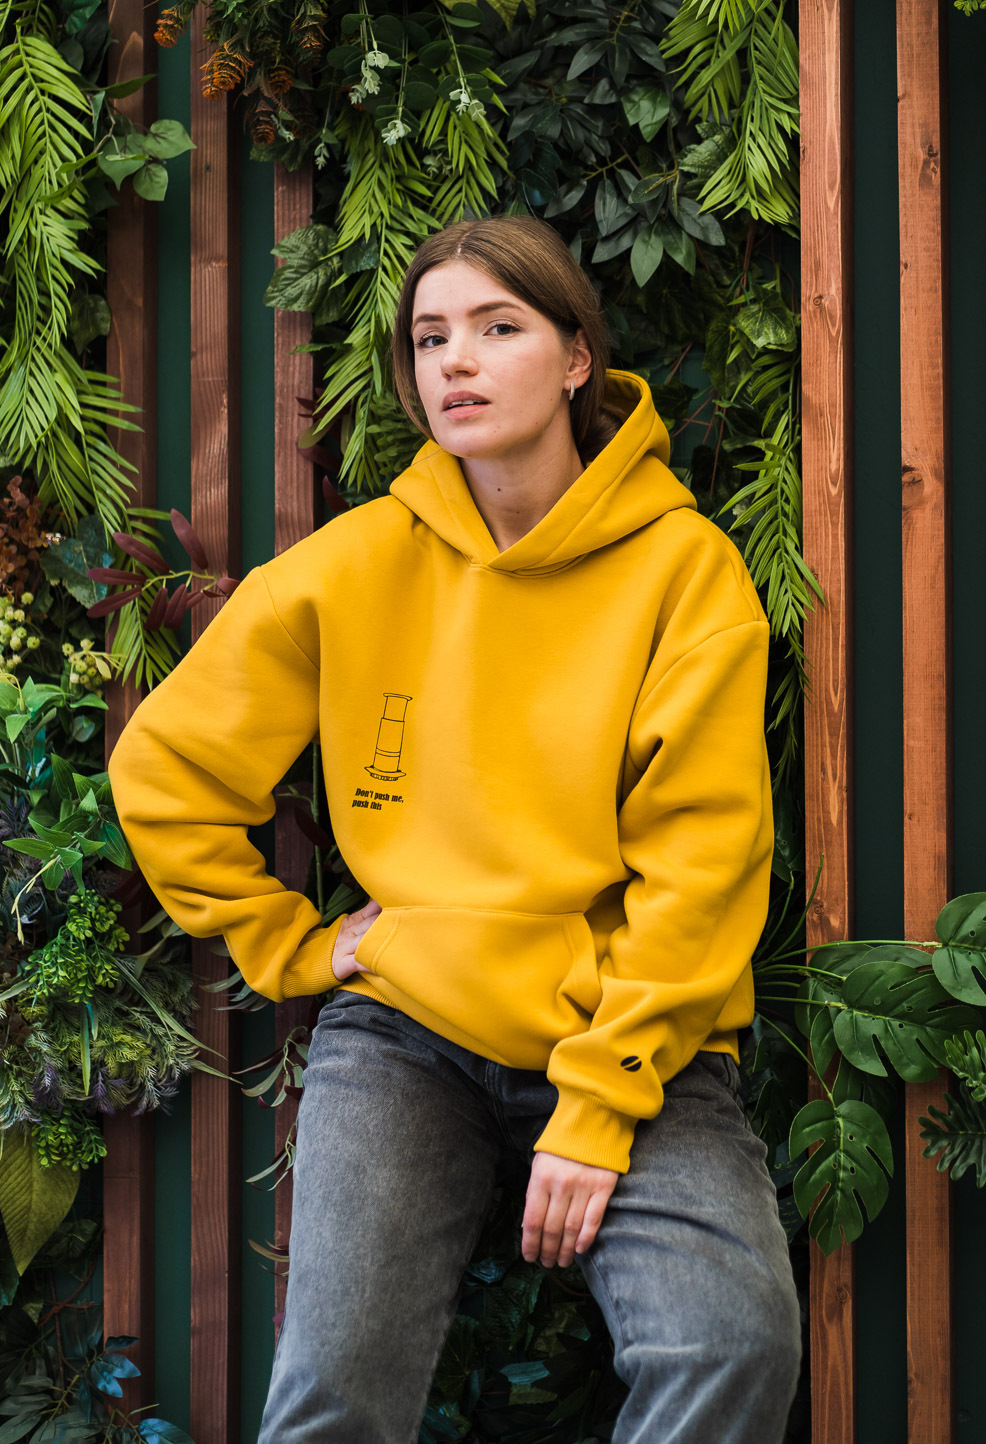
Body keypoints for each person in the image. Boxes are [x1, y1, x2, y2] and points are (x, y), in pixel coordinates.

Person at [109, 215, 801, 1442]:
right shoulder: (356, 563)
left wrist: (600, 1106)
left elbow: (703, 863)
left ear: (577, 357)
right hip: (407, 1028)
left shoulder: (683, 572)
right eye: (430, 338)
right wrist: (291, 945)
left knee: (730, 1344)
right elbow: (167, 767)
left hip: (627, 1024)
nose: (456, 362)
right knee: (333, 1389)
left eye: (497, 327)